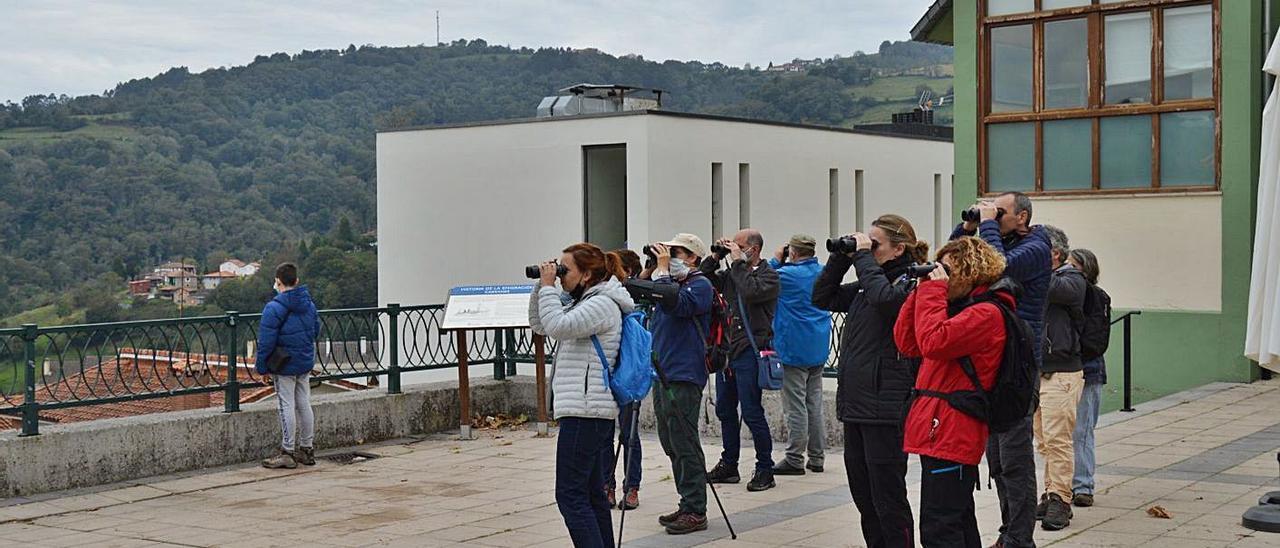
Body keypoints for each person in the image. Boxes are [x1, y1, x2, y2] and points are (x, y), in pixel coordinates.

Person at [813, 215, 929, 547]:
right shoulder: (869, 283)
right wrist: (840, 257)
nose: (868, 249)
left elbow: (886, 301)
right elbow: (822, 297)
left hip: (887, 407)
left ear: (898, 249)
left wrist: (862, 259)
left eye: (875, 245)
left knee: (888, 499)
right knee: (864, 498)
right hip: (857, 405)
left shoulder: (909, 283)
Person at [894, 236, 1014, 548]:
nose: (939, 276)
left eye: (946, 270)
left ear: (968, 271)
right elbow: (908, 343)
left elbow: (934, 342)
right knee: (956, 521)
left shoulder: (986, 313)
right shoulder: (956, 308)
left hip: (955, 429)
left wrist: (933, 292)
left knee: (939, 528)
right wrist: (921, 293)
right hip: (937, 428)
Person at [952, 191, 1051, 548]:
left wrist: (989, 224)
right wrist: (968, 227)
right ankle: (1009, 533)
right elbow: (954, 261)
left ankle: (1019, 539)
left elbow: (999, 265)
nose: (992, 218)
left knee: (1014, 460)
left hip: (1018, 369)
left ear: (1022, 217)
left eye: (1001, 212)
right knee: (996, 459)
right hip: (991, 364)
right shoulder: (1001, 238)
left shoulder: (1038, 248)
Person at [528, 243, 635, 548]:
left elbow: (556, 326)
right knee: (590, 494)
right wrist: (542, 286)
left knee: (570, 496)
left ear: (587, 274)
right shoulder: (587, 299)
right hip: (587, 410)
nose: (560, 275)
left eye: (565, 270)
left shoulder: (601, 304)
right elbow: (539, 323)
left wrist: (549, 287)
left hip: (586, 412)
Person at [641, 234, 716, 535]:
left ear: (693, 257)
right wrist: (649, 270)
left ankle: (696, 509)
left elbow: (677, 304)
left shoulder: (700, 285)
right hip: (663, 371)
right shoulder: (670, 282)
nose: (670, 257)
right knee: (669, 440)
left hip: (685, 373)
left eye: (676, 253)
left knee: (685, 441)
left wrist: (662, 273)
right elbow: (636, 292)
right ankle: (687, 501)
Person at [699, 228, 780, 492]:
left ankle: (765, 469)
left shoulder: (769, 276)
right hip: (728, 352)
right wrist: (715, 256)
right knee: (724, 408)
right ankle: (729, 464)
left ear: (753, 250)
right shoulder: (734, 274)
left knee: (752, 411)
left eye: (739, 245)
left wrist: (736, 262)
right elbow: (706, 280)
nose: (735, 248)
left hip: (751, 351)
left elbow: (751, 292)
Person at [1035, 226, 1087, 531]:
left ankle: (1061, 500)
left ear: (1054, 254)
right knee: (1043, 440)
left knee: (1058, 440)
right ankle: (1050, 492)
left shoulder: (1072, 279)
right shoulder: (1045, 280)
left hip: (1063, 372)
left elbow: (1053, 291)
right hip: (1039, 372)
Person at [767, 234, 831, 477]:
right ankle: (817, 457)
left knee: (795, 406)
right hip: (818, 344)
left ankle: (794, 457)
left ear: (792, 252)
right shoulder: (823, 272)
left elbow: (762, 279)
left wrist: (775, 260)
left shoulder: (785, 275)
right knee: (813, 403)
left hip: (793, 347)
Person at [257, 263, 321, 470]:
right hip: (303, 360)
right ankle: (307, 448)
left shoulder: (274, 308)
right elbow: (315, 330)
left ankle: (287, 452)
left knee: (286, 404)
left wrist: (262, 368)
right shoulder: (309, 304)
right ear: (297, 281)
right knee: (304, 402)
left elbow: (266, 342)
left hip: (284, 363)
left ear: (278, 282)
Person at [1069, 249, 1110, 509]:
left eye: (1074, 268)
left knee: (1082, 431)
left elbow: (1095, 341)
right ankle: (1064, 485)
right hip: (1067, 368)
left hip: (1087, 370)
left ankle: (1083, 485)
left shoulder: (1096, 297)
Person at [605, 249, 644, 511]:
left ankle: (632, 487)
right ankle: (606, 485)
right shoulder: (597, 296)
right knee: (604, 435)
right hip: (604, 371)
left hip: (626, 372)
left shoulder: (632, 296)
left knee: (629, 434)